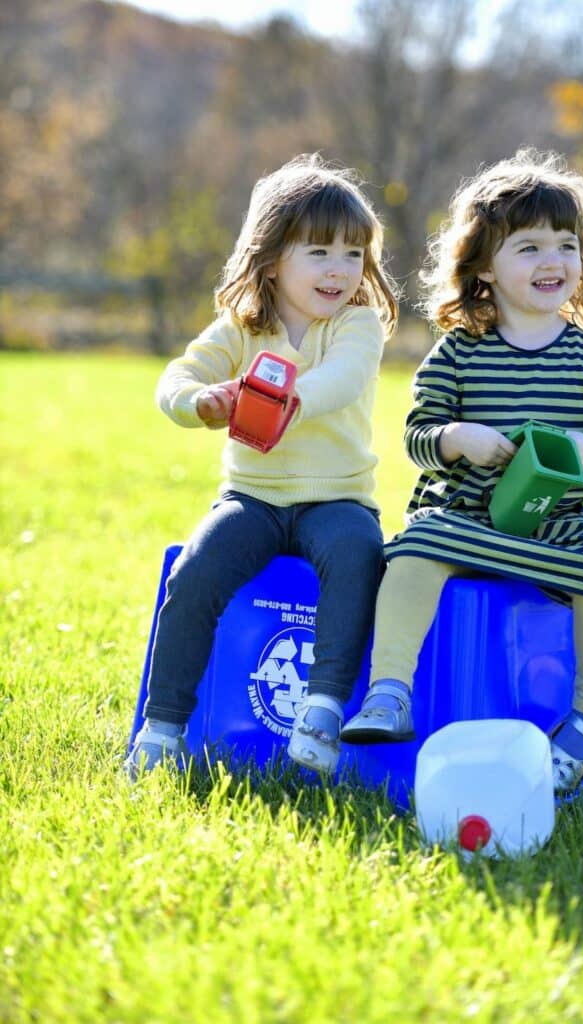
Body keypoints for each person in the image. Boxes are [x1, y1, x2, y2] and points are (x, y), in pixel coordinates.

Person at [341, 149, 583, 795]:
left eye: (566, 245)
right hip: (472, 523)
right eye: (529, 247)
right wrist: (457, 439)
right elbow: (417, 438)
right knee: (415, 545)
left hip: (566, 529)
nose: (552, 262)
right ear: (483, 266)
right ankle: (390, 691)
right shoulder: (458, 351)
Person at [125, 154, 398, 779]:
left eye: (353, 254)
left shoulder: (358, 324)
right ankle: (161, 726)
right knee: (194, 573)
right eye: (319, 252)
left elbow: (342, 381)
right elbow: (179, 377)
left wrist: (285, 401)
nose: (339, 269)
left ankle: (322, 710)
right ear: (272, 259)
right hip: (252, 497)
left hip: (338, 499)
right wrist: (201, 402)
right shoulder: (241, 327)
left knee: (360, 556)